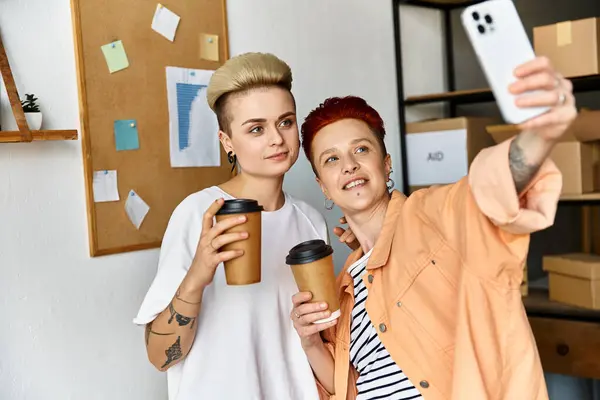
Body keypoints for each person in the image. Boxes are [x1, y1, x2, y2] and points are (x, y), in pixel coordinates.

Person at [291, 56, 575, 400]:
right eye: (332, 159)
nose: (349, 166)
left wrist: (542, 132)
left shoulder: (432, 216)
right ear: (323, 185)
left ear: (385, 162)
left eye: (361, 149)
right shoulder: (344, 285)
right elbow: (346, 388)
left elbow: (487, 190)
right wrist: (310, 344)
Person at [133, 52, 355, 400]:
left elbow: (318, 339)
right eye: (256, 129)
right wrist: (198, 274)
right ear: (227, 142)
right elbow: (160, 358)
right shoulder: (199, 214)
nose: (276, 139)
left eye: (285, 122)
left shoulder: (310, 220)